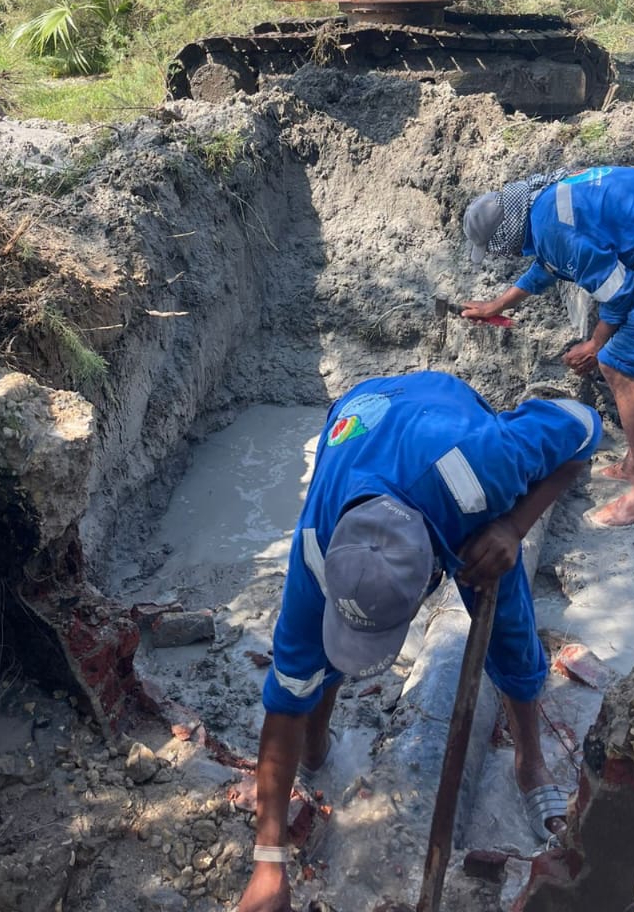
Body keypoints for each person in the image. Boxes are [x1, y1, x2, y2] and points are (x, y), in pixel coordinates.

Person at [236, 370, 602, 912]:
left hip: (444, 426)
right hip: (364, 411)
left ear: (433, 575)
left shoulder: (486, 468)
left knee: (509, 630)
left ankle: (530, 760)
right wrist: (268, 864)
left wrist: (513, 528)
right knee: (310, 661)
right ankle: (316, 749)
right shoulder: (317, 552)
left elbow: (584, 426)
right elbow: (284, 695)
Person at [462, 166, 634, 527]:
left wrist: (595, 343)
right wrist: (497, 305)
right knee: (632, 358)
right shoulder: (545, 204)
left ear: (505, 233)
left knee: (617, 363)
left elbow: (617, 292)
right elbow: (550, 264)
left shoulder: (551, 225)